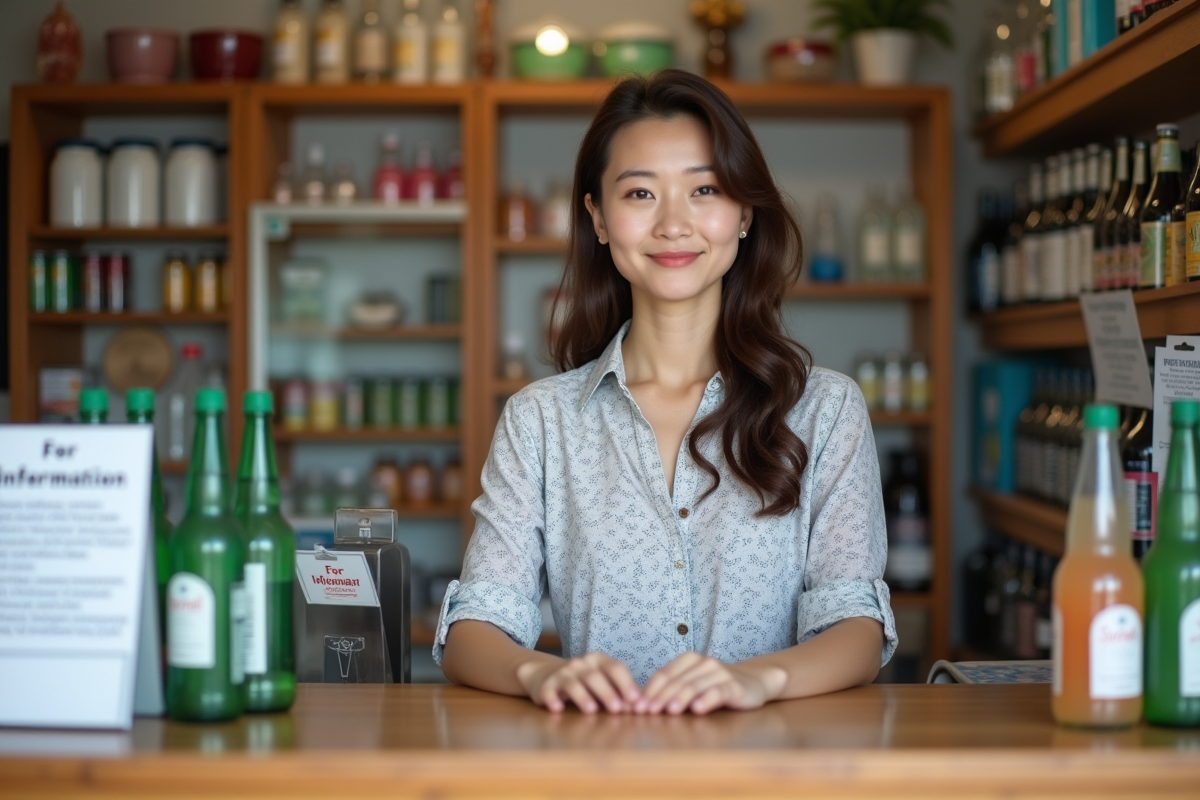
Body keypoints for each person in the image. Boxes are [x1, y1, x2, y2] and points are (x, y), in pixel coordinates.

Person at [436, 69, 896, 715]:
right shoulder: (540, 421)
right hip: (598, 770)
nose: (674, 224)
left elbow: (857, 629)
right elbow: (473, 629)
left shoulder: (825, 410)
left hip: (775, 771)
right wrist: (538, 675)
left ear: (742, 214)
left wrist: (758, 680)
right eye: (641, 193)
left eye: (705, 188)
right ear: (598, 217)